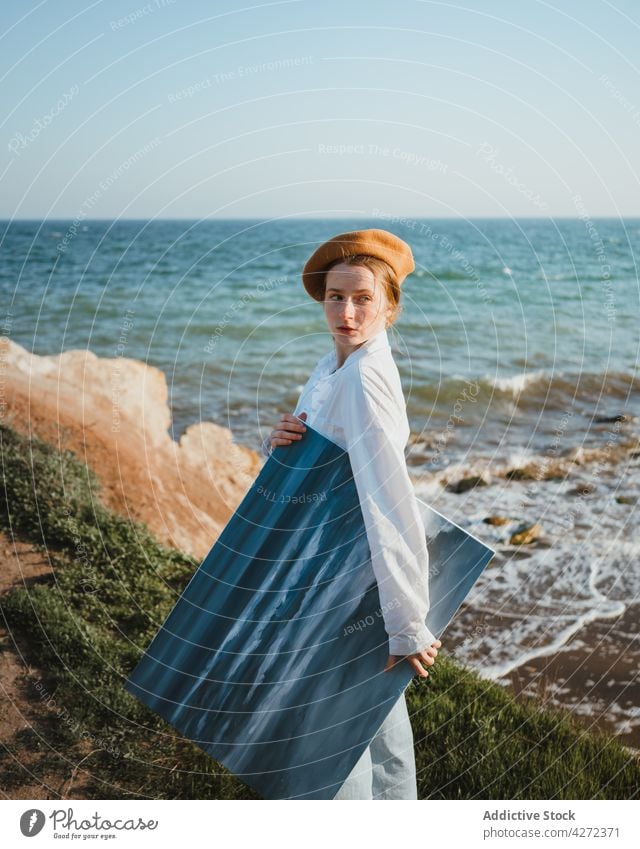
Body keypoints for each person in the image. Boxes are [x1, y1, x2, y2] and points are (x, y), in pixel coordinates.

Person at [261, 229, 442, 800]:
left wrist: (407, 623)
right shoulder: (333, 366)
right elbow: (331, 466)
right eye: (336, 296)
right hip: (342, 574)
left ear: (390, 306)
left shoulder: (364, 380)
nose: (347, 311)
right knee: (376, 733)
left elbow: (389, 503)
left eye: (363, 298)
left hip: (349, 583)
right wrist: (286, 442)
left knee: (331, 744)